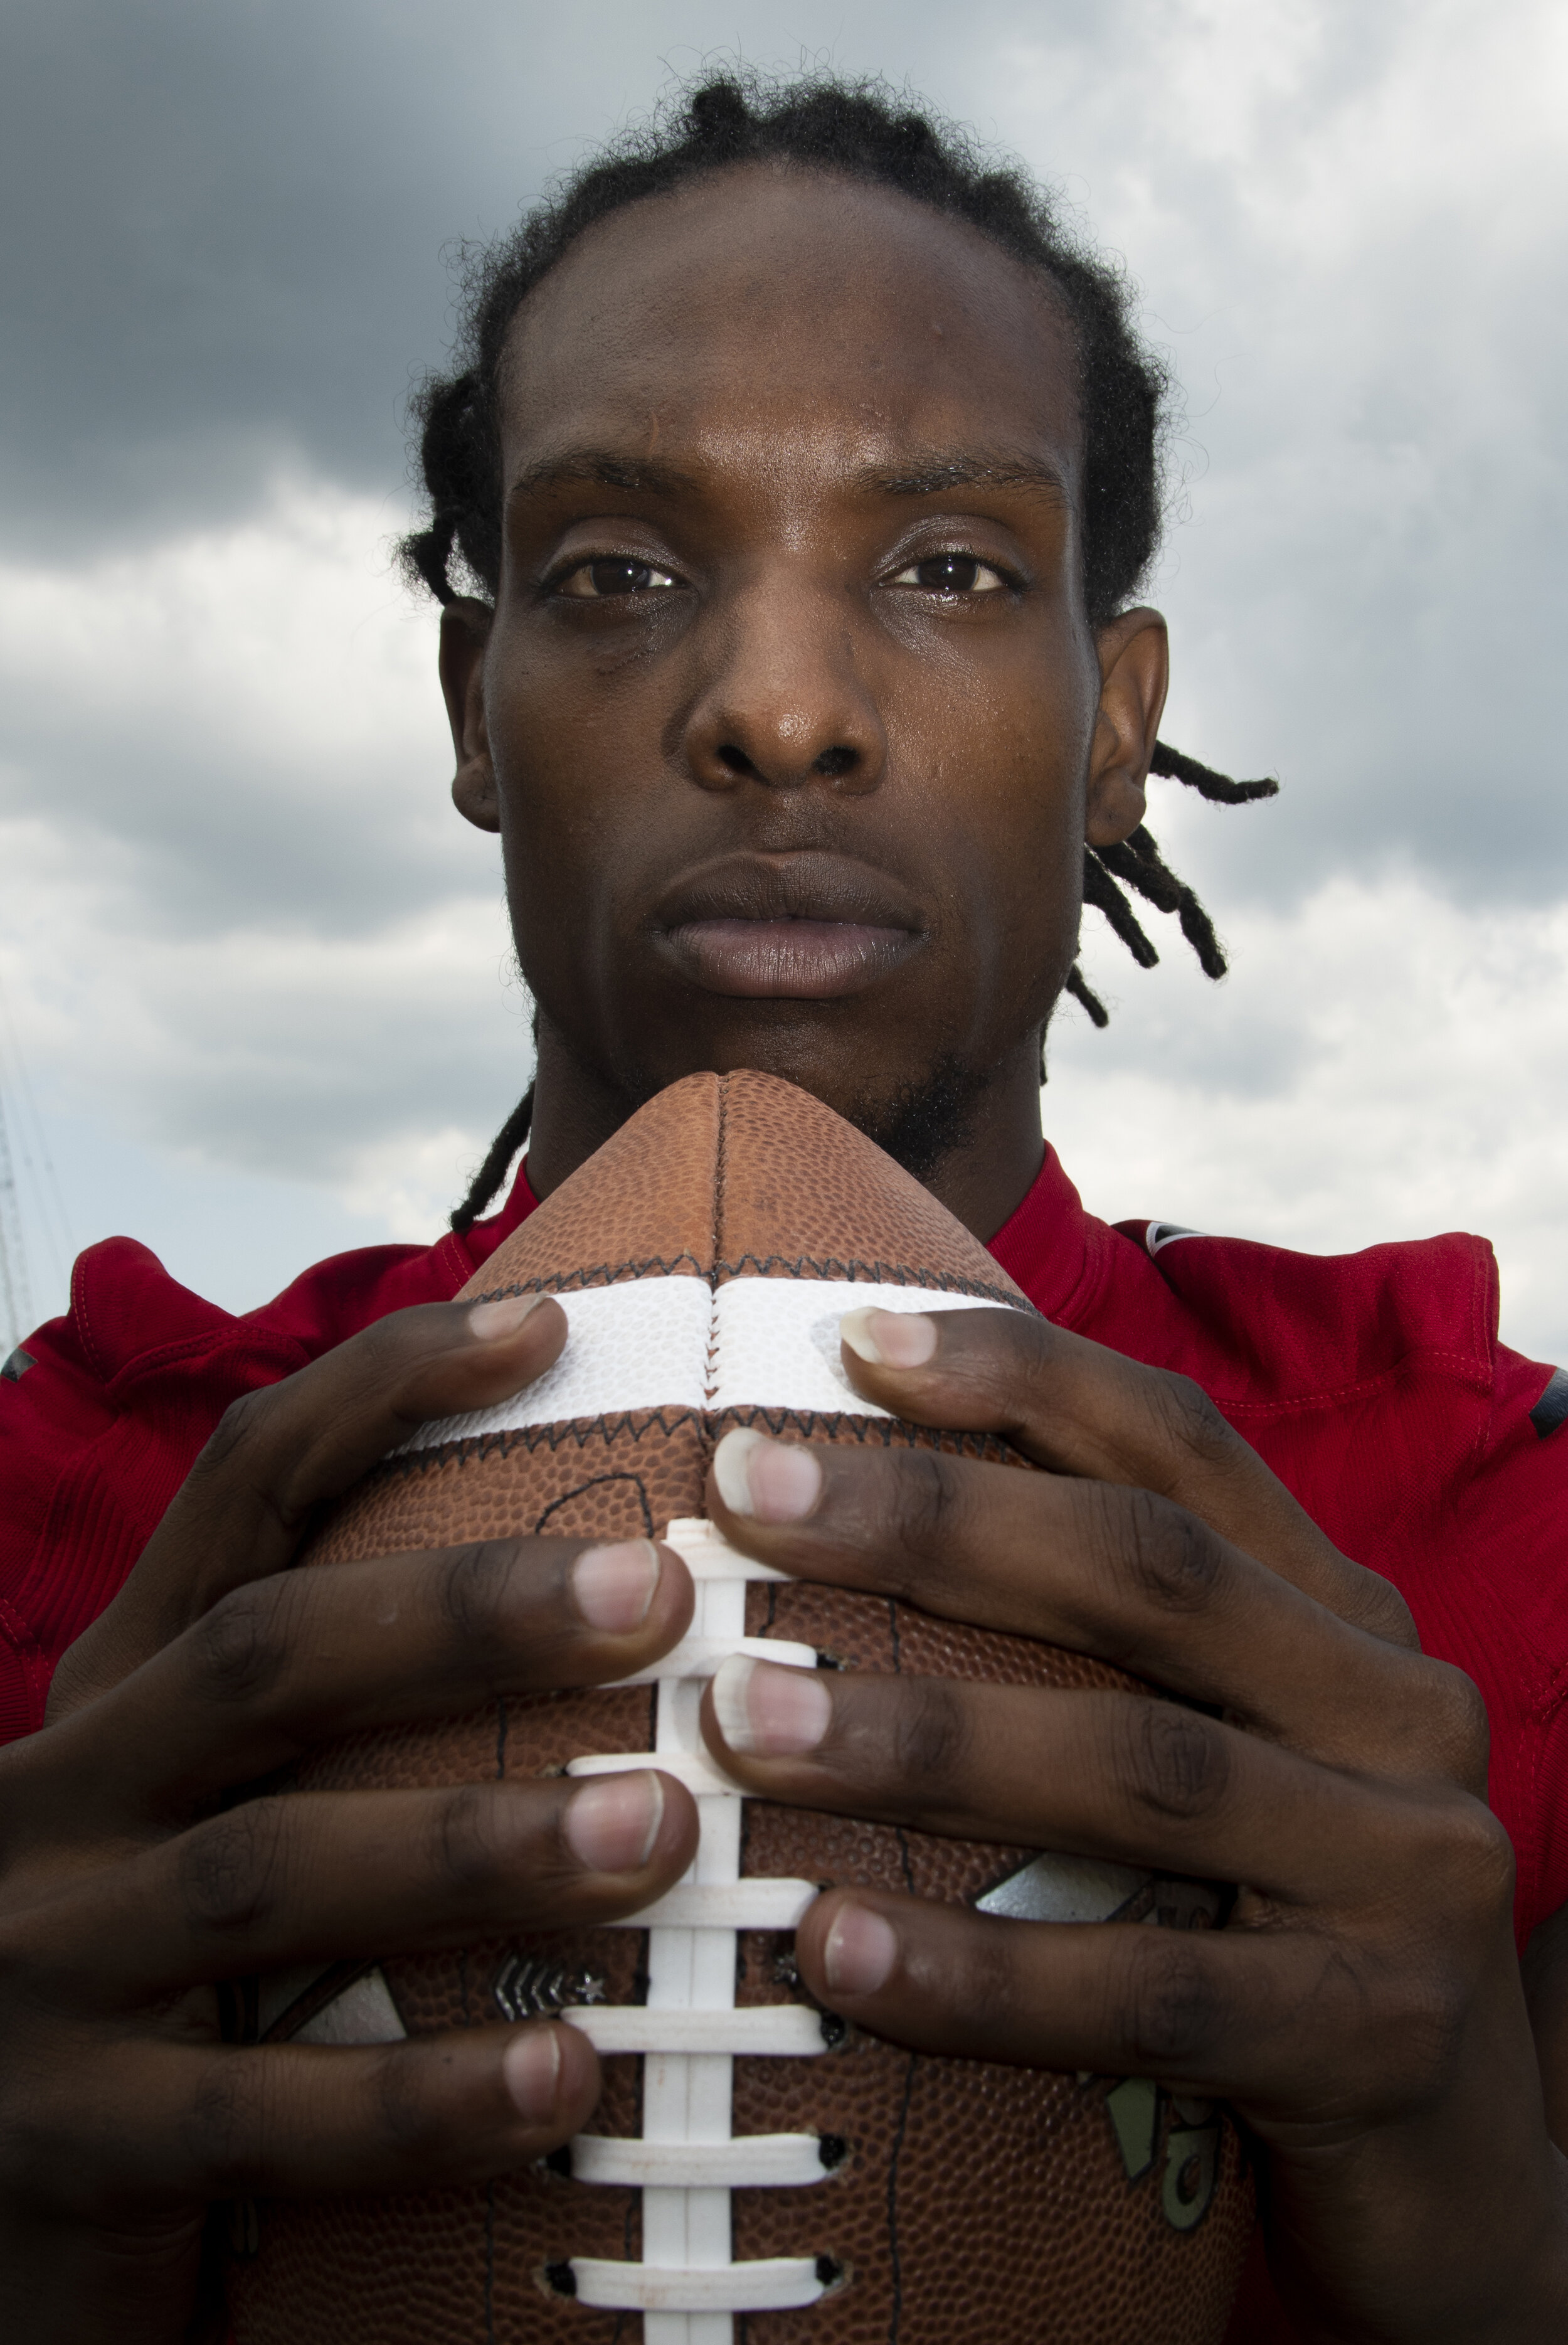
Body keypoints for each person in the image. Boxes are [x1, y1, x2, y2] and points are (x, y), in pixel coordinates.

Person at [1, 70, 1565, 2344]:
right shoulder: (97, 1504)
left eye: (948, 567)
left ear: (1113, 718)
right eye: (619, 571)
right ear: (474, 700)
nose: (778, 707)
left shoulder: (1470, 1529)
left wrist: (1498, 2249)